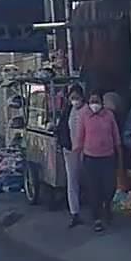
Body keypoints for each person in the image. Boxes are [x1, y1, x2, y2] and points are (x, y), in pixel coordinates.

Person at [73, 90, 123, 232]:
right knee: (94, 189)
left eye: (97, 101)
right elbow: (79, 137)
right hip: (90, 158)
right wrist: (77, 156)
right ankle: (97, 219)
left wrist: (120, 156)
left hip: (108, 157)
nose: (94, 104)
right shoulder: (84, 116)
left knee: (109, 187)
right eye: (92, 101)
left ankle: (106, 206)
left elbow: (116, 136)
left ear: (102, 102)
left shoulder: (109, 115)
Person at [56, 84, 85, 228]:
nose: (75, 100)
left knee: (90, 181)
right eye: (72, 98)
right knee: (72, 182)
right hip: (70, 151)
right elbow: (61, 129)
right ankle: (75, 213)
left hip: (87, 151)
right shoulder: (67, 111)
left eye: (77, 97)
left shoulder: (87, 111)